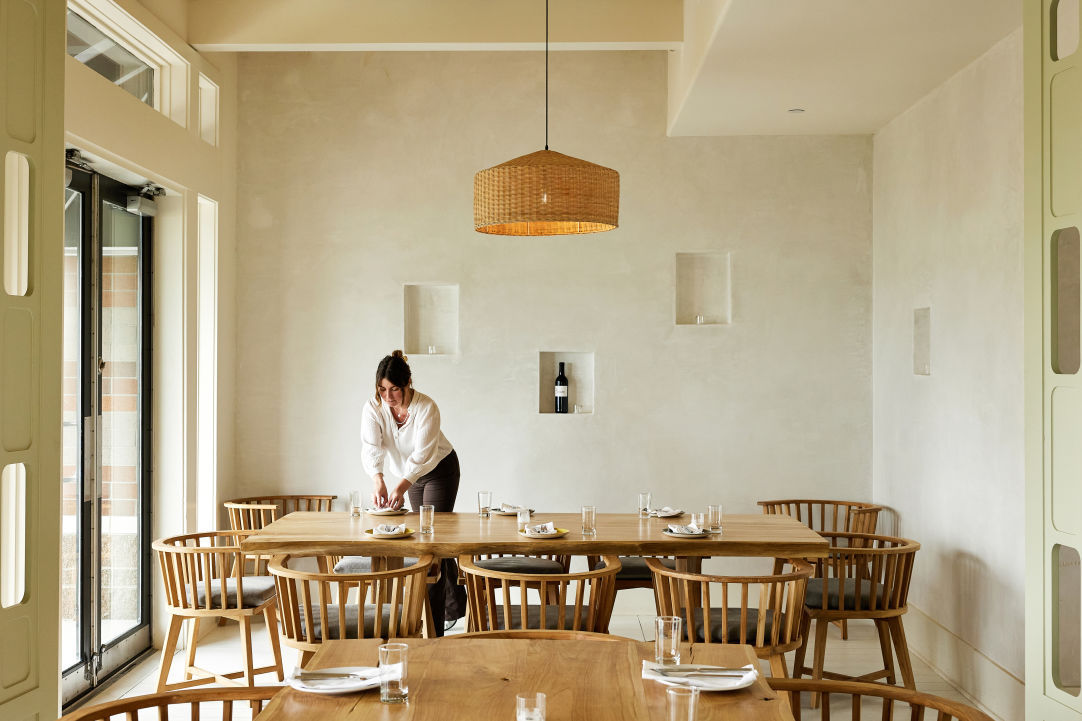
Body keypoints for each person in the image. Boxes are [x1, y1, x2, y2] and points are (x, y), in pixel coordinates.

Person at [360, 350, 463, 634]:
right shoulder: (373, 407)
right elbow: (371, 447)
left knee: (432, 543)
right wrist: (378, 479)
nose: (388, 396)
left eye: (394, 389)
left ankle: (437, 624)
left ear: (408, 384)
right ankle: (455, 602)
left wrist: (401, 486)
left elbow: (423, 455)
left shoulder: (427, 407)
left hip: (439, 469)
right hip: (410, 476)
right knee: (424, 541)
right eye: (382, 389)